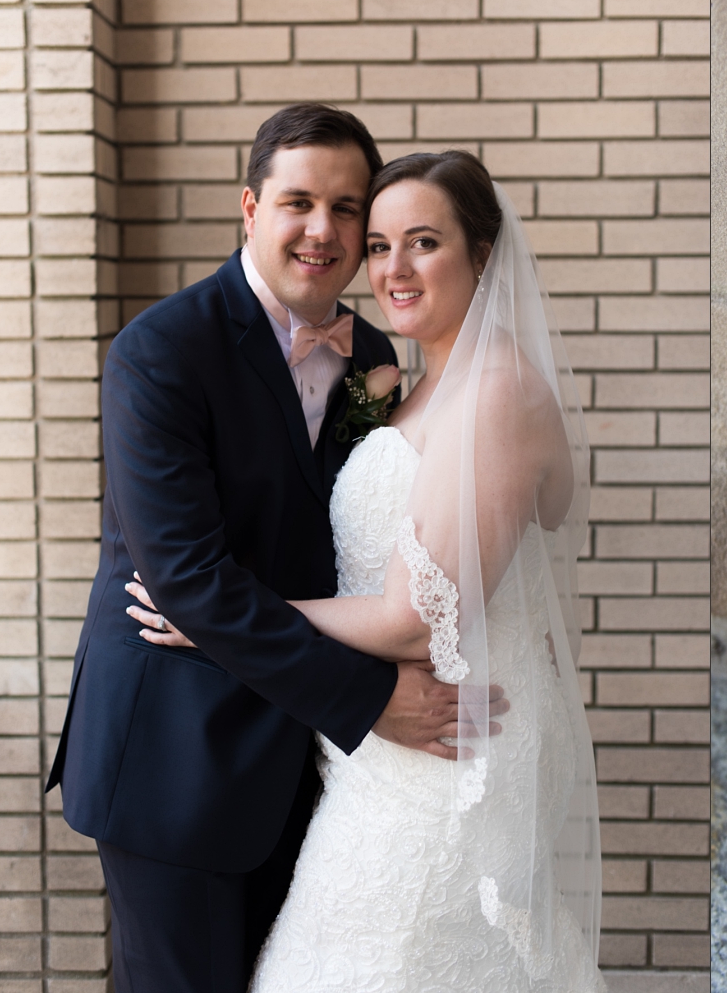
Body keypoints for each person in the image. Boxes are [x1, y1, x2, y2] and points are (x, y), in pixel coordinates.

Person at [45, 105, 500, 992]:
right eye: (299, 202)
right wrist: (370, 701)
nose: (322, 230)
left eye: (346, 209)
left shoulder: (377, 355)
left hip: (313, 772)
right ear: (251, 208)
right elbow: (187, 581)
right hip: (179, 762)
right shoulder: (160, 353)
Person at [127, 151, 607, 991]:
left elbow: (414, 616)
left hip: (454, 734)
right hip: (376, 744)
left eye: (424, 242)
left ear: (484, 255)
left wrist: (225, 609)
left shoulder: (498, 392)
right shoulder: (401, 382)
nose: (393, 268)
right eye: (380, 245)